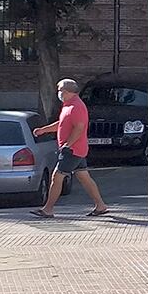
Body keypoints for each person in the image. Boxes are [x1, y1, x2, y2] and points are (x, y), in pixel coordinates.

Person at [32, 78, 110, 218]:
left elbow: (79, 128)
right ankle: (101, 206)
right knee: (84, 177)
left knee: (57, 176)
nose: (58, 93)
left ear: (67, 92)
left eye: (59, 90)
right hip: (76, 149)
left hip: (72, 150)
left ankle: (47, 209)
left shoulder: (76, 107)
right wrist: (43, 130)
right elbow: (61, 124)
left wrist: (68, 145)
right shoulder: (68, 105)